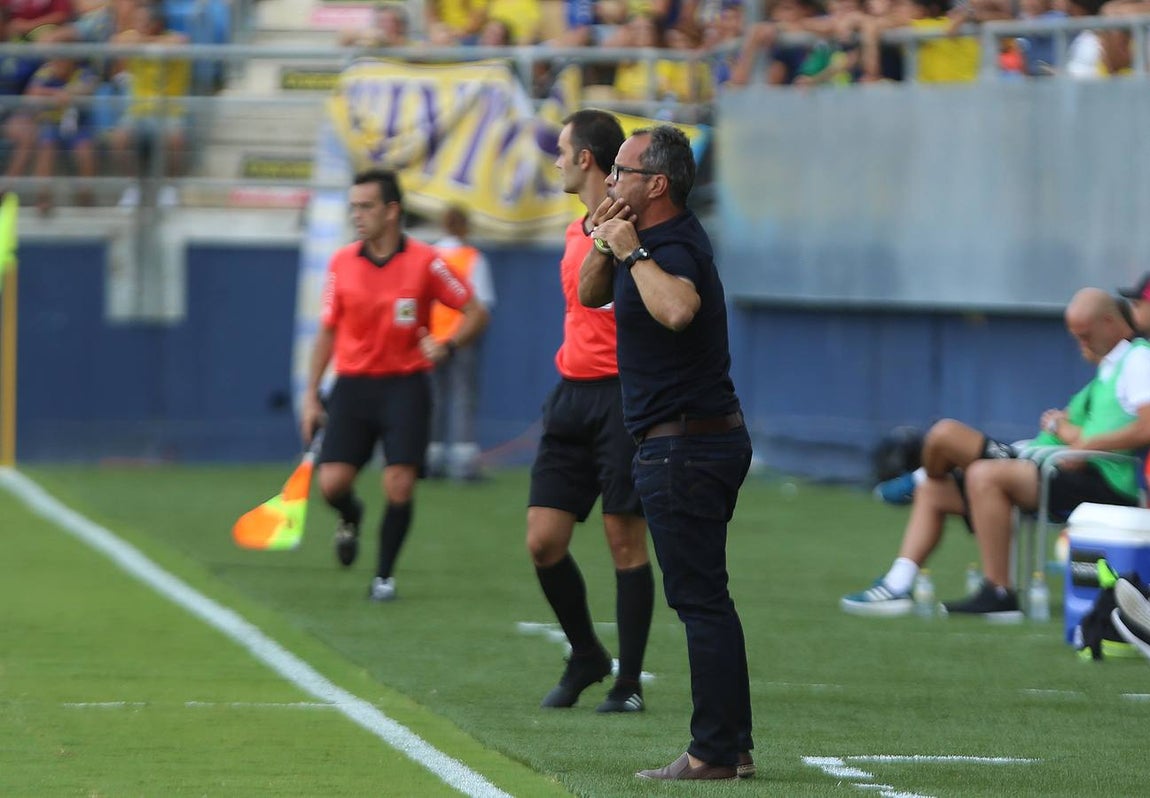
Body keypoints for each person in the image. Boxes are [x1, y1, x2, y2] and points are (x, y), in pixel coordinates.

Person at [580, 124, 754, 781]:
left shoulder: (672, 245)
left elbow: (678, 310)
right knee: (710, 598)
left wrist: (630, 252)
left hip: (686, 444)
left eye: (622, 171)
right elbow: (589, 294)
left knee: (700, 602)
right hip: (685, 440)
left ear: (657, 183)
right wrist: (608, 240)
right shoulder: (644, 238)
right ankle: (730, 744)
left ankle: (712, 751)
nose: (611, 180)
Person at [843, 288, 1150, 619]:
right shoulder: (1106, 373)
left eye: (1085, 336)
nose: (1080, 345)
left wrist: (1079, 440)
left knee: (958, 447)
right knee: (936, 485)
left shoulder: (1137, 360)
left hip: (1094, 478)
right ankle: (896, 584)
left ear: (1109, 322)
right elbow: (1078, 430)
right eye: (1075, 337)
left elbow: (1143, 428)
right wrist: (1068, 431)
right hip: (1049, 465)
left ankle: (999, 591)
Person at [300, 168, 489, 602]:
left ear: (391, 211)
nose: (358, 215)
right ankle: (351, 517)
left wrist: (446, 345)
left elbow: (475, 312)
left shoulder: (426, 261)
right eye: (354, 207)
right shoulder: (342, 263)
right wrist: (311, 395)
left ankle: (383, 576)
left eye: (366, 206)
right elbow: (327, 331)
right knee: (332, 484)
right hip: (352, 386)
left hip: (405, 386)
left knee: (399, 483)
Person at [526, 109, 654, 715]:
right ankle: (585, 654)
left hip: (621, 397)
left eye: (560, 149)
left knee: (623, 542)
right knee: (543, 541)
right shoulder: (579, 226)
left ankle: (628, 684)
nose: (554, 159)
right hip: (571, 394)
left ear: (586, 159)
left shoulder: (630, 223)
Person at [427, 204, 495, 481]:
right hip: (462, 338)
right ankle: (462, 464)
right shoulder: (473, 258)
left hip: (431, 339)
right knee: (462, 399)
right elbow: (483, 305)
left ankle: (430, 461)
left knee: (433, 400)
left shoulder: (430, 256)